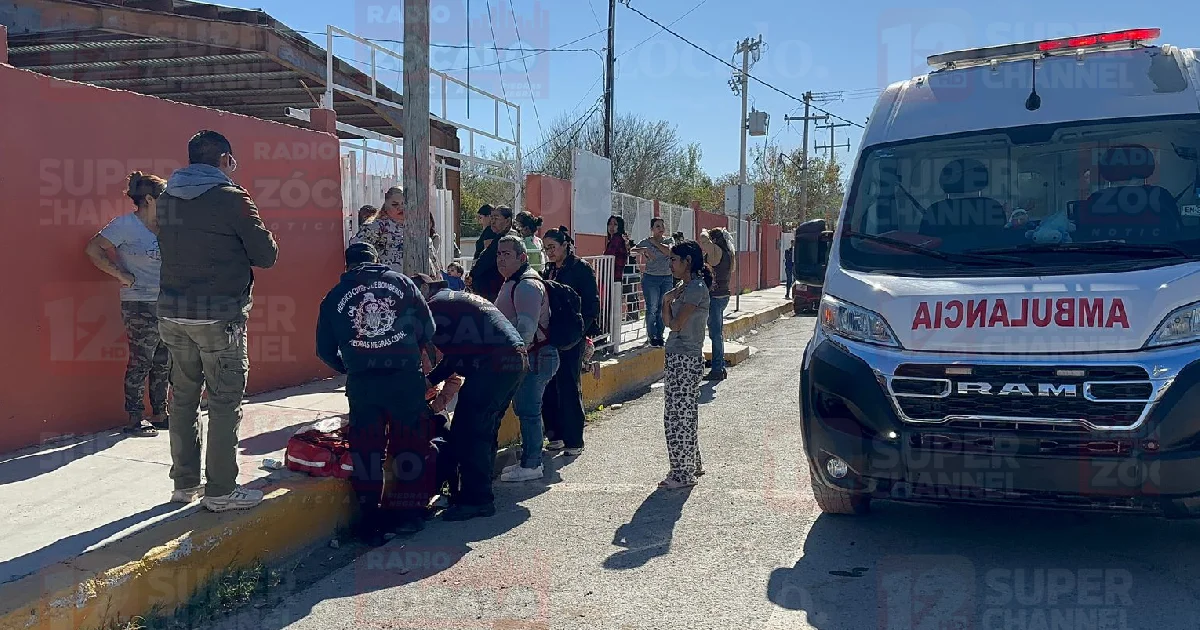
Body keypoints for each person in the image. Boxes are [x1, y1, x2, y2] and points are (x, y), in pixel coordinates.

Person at [157, 130, 279, 511]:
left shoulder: (165, 198)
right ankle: (222, 490)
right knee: (225, 400)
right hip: (218, 316)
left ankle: (184, 484)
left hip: (172, 314)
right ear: (226, 160)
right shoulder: (232, 198)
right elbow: (266, 254)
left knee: (183, 399)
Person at [315, 243, 435, 543]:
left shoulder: (332, 297)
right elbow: (428, 328)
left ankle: (370, 524)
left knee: (367, 452)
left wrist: (351, 366)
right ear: (376, 261)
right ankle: (408, 516)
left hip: (364, 383)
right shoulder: (402, 283)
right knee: (409, 445)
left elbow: (324, 350)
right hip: (405, 379)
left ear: (348, 266)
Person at [411, 275, 527, 521]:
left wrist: (428, 381)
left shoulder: (435, 308)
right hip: (514, 359)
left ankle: (477, 500)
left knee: (468, 429)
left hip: (493, 365)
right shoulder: (456, 299)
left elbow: (452, 357)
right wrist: (432, 380)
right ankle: (478, 491)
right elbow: (458, 354)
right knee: (484, 428)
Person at [86, 171, 171, 437]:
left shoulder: (168, 226)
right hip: (139, 303)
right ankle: (135, 418)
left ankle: (160, 413)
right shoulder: (125, 225)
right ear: (149, 199)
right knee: (141, 360)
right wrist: (121, 275)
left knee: (164, 360)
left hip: (167, 301)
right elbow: (93, 248)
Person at [495, 235, 559, 482]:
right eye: (499, 254)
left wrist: (516, 359)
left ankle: (533, 464)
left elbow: (526, 330)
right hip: (530, 357)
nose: (501, 259)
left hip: (535, 357)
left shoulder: (526, 285)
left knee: (529, 411)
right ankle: (529, 459)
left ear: (522, 257)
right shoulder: (513, 281)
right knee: (525, 408)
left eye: (507, 254)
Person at [540, 226, 601, 455]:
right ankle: (554, 436)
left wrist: (580, 332)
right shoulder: (549, 270)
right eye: (546, 249)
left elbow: (592, 305)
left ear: (565, 244)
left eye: (553, 247)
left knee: (568, 385)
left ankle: (574, 440)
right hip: (552, 334)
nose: (549, 252)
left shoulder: (580, 269)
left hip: (572, 336)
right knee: (548, 386)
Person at [659, 239, 712, 489]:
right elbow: (668, 322)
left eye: (673, 259)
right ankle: (691, 464)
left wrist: (668, 303)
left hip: (686, 358)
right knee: (682, 414)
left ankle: (682, 474)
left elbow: (676, 324)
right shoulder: (684, 287)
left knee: (678, 417)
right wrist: (666, 301)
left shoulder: (695, 288)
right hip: (678, 356)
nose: (670, 264)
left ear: (687, 262)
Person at [632, 218, 675, 347]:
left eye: (662, 225)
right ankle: (652, 336)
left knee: (663, 308)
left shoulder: (669, 240)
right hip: (651, 278)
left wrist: (654, 243)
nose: (660, 228)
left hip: (666, 278)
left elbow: (669, 251)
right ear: (652, 229)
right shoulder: (646, 241)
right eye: (657, 226)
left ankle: (660, 335)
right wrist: (643, 250)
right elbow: (632, 250)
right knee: (652, 308)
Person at [704, 228, 735, 382]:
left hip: (715, 296)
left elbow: (704, 241)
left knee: (715, 334)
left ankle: (717, 368)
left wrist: (704, 232)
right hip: (724, 294)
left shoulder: (716, 251)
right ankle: (719, 367)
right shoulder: (729, 253)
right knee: (716, 333)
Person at [468, 205, 517, 302]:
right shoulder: (498, 237)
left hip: (495, 291)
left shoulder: (508, 239)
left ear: (507, 221)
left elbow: (489, 260)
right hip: (486, 290)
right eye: (492, 218)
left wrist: (473, 275)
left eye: (496, 218)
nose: (493, 222)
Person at [350, 186, 405, 272]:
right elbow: (357, 248)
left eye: (404, 204)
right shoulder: (376, 226)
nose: (400, 208)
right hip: (387, 280)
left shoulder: (415, 226)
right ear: (386, 205)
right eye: (395, 204)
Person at [605, 215, 636, 323]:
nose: (611, 227)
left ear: (620, 226)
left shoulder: (616, 239)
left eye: (615, 224)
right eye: (610, 224)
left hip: (615, 275)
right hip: (617, 275)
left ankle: (612, 328)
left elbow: (610, 255)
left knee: (612, 303)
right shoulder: (619, 238)